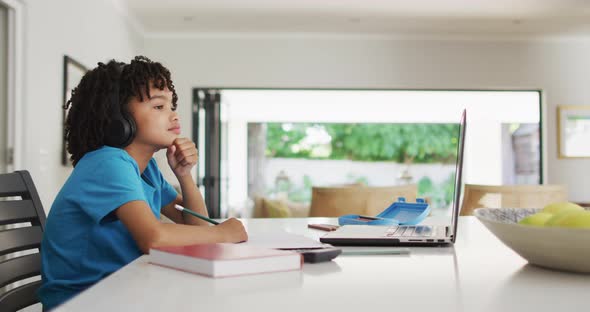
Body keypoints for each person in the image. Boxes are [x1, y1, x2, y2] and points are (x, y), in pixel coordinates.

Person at [38, 56, 248, 310]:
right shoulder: (108, 163)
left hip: (122, 292)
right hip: (83, 302)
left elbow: (195, 225)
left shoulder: (146, 168)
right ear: (119, 118)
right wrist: (223, 233)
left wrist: (184, 174)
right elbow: (153, 238)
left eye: (172, 105)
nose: (173, 115)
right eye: (159, 107)